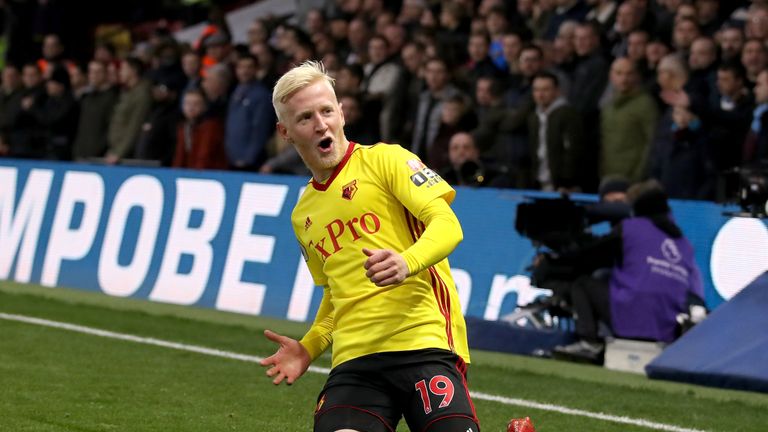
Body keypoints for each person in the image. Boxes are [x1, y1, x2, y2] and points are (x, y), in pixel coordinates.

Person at [259, 61, 480, 432]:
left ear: (342, 113)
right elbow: (336, 293)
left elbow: (448, 225)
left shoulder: (387, 160)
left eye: (327, 111)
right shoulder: (303, 214)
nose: (321, 124)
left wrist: (406, 262)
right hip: (355, 363)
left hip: (423, 342)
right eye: (305, 118)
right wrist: (309, 347)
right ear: (286, 132)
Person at [552, 180, 705, 362]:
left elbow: (590, 256)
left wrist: (556, 260)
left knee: (584, 283)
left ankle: (589, 342)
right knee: (611, 276)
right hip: (667, 326)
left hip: (630, 315)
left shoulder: (632, 228)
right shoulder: (684, 243)